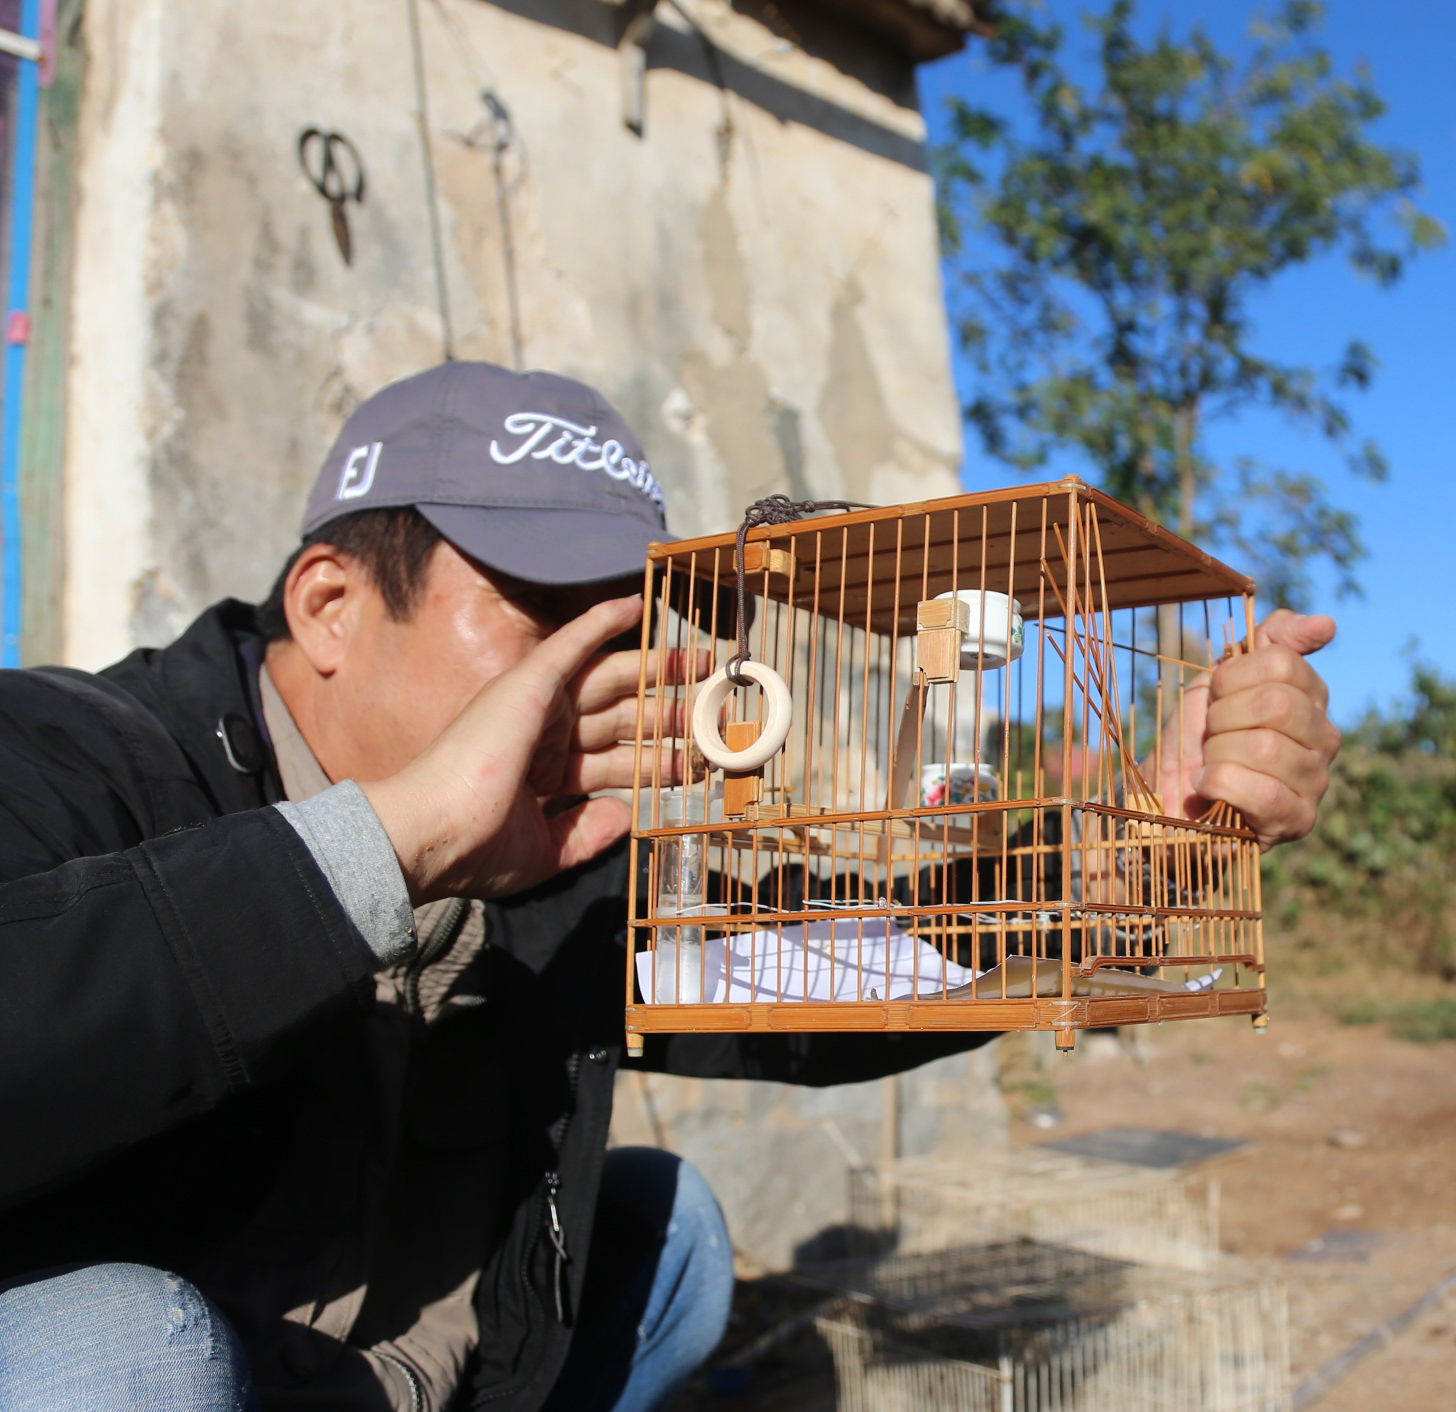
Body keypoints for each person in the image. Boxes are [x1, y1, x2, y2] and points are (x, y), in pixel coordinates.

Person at [0, 361, 1341, 1410]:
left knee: (673, 1235)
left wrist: (1127, 858)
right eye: (545, 616)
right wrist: (392, 846)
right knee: (128, 1350)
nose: (610, 670)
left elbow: (811, 972)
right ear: (332, 606)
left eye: (635, 621)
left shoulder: (559, 843)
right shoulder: (70, 762)